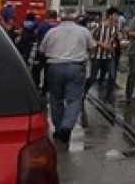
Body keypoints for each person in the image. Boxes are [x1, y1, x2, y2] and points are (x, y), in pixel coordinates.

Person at [39, 10, 95, 144]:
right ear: (75, 18)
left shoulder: (52, 32)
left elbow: (42, 50)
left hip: (55, 67)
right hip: (76, 67)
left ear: (60, 19)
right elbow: (92, 46)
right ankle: (67, 126)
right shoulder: (83, 31)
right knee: (74, 99)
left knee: (55, 99)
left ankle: (58, 128)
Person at [89, 7, 122, 102]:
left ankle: (108, 96)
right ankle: (84, 91)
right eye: (115, 15)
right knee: (92, 77)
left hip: (109, 56)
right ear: (110, 16)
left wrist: (116, 44)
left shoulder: (115, 28)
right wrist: (102, 44)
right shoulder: (99, 26)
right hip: (97, 56)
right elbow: (90, 38)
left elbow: (115, 40)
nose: (117, 18)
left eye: (117, 16)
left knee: (112, 75)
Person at [31, 10, 59, 94]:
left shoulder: (43, 25)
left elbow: (37, 35)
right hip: (53, 53)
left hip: (41, 52)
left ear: (47, 16)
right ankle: (45, 89)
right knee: (48, 72)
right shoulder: (58, 27)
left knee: (36, 70)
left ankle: (36, 87)